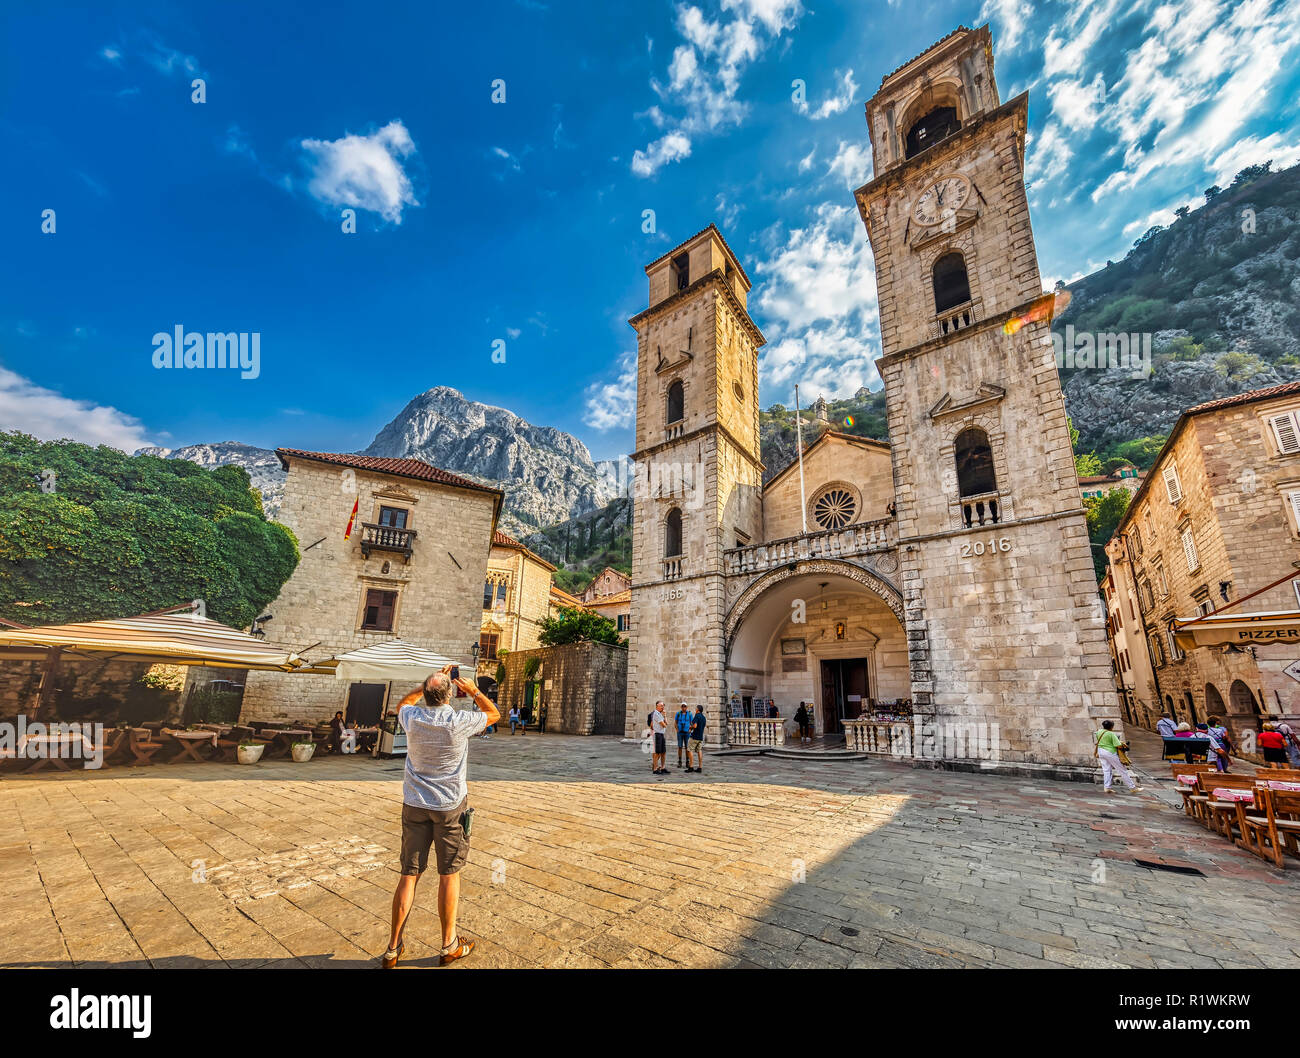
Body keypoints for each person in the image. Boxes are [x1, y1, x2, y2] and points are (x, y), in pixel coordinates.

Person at [381, 667, 499, 970]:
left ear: (426, 693)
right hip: (449, 806)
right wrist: (472, 689)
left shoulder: (413, 717)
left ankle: (393, 947)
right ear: (449, 694)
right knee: (448, 874)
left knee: (409, 874)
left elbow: (402, 705)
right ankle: (449, 944)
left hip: (415, 804)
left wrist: (427, 683)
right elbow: (494, 714)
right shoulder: (459, 721)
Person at [1093, 719, 1142, 794]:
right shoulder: (1111, 734)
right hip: (1110, 752)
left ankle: (1107, 788)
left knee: (1106, 770)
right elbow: (1117, 745)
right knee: (1122, 770)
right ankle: (1132, 788)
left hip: (1101, 752)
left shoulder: (1099, 732)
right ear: (1111, 727)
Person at [649, 700, 668, 775]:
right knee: (657, 753)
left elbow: (667, 723)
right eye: (661, 706)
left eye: (663, 706)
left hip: (661, 734)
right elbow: (664, 725)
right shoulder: (656, 714)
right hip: (657, 734)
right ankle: (655, 769)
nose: (663, 707)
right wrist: (664, 722)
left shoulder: (660, 714)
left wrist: (665, 715)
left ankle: (663, 767)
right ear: (657, 706)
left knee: (663, 752)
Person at [686, 705, 706, 773]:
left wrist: (690, 728)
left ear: (698, 710)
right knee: (699, 751)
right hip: (700, 737)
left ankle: (691, 767)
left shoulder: (697, 715)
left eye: (696, 708)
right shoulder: (704, 717)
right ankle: (700, 767)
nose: (695, 710)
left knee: (690, 750)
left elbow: (695, 725)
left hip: (694, 736)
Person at [675, 702, 692, 768]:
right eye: (682, 706)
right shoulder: (678, 713)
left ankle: (687, 761)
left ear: (686, 707)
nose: (683, 708)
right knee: (680, 747)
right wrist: (677, 730)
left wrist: (690, 730)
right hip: (680, 732)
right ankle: (680, 761)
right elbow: (675, 722)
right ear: (681, 707)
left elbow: (692, 723)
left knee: (687, 747)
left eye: (685, 706)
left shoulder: (690, 714)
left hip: (687, 733)